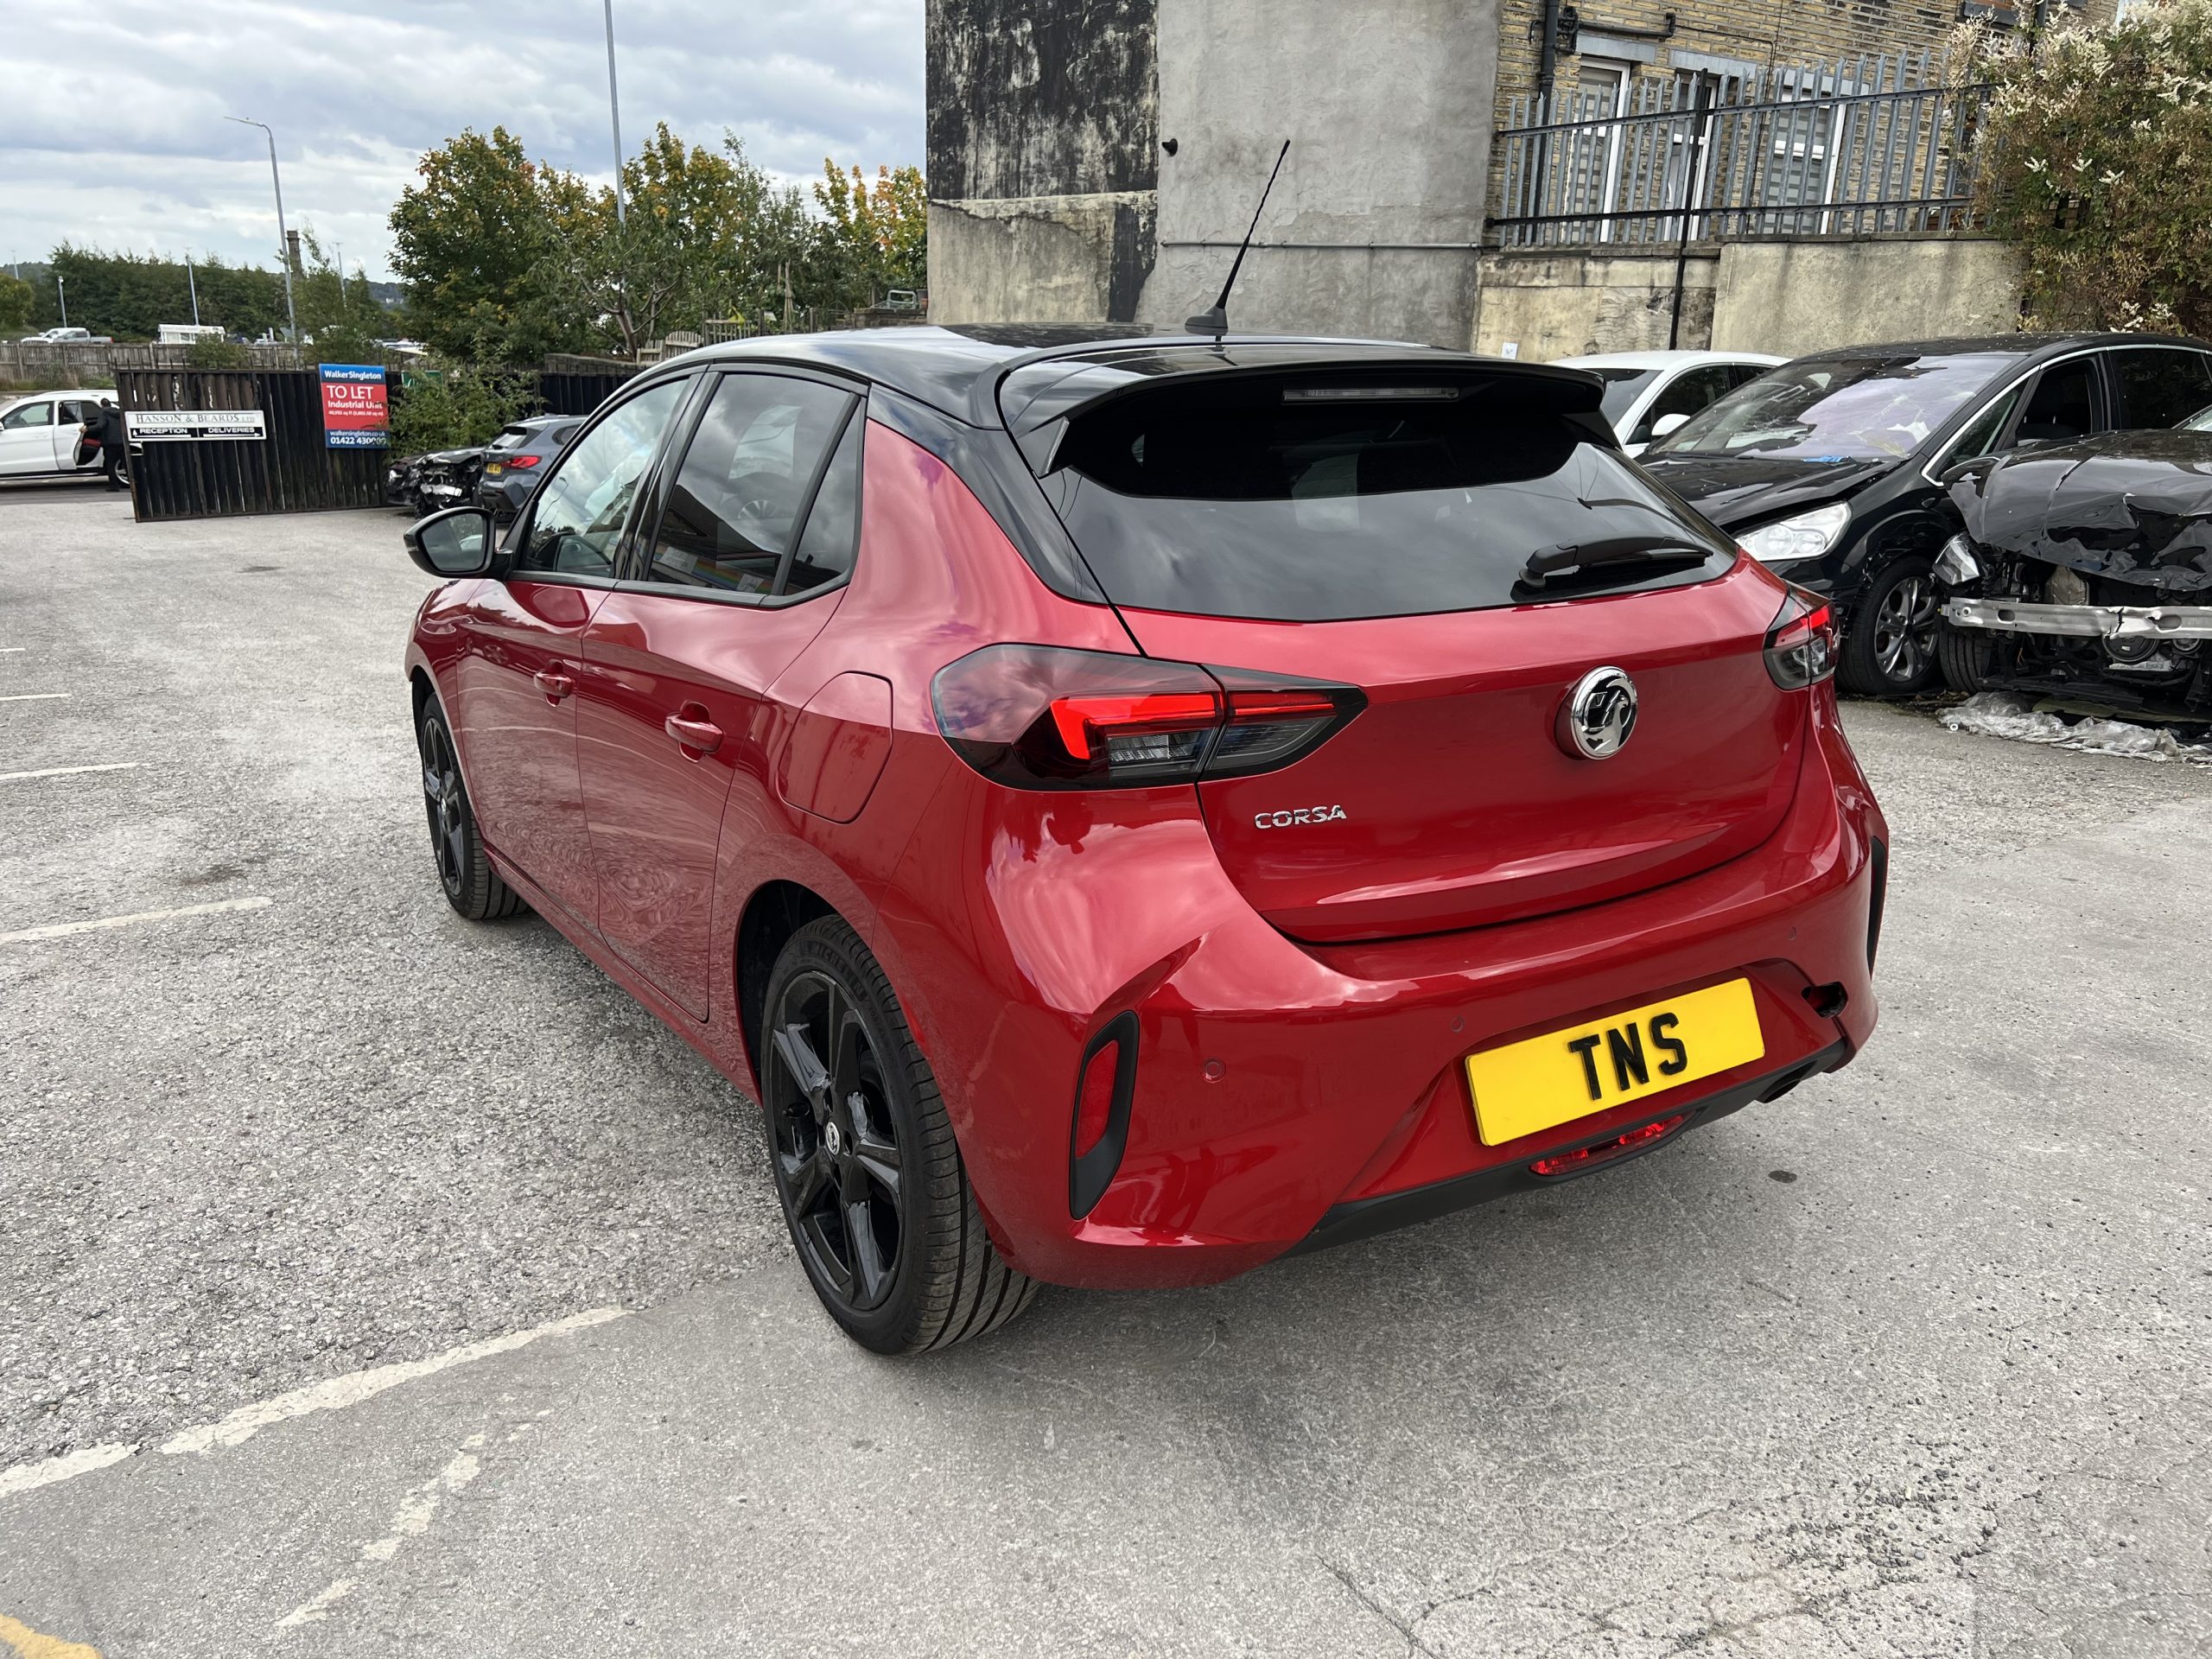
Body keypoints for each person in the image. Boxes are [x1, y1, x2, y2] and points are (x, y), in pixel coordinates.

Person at [91, 398, 128, 492]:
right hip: (121, 441)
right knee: (125, 463)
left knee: (110, 465)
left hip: (110, 443)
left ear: (102, 405)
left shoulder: (103, 413)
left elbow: (101, 425)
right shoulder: (119, 413)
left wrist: (88, 429)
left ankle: (114, 486)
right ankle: (131, 482)